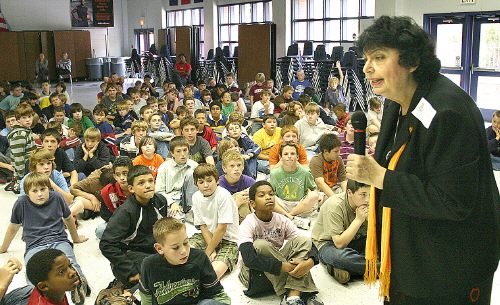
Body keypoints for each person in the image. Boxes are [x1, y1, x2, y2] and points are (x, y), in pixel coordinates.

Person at [346, 16, 499, 304]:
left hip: (449, 270)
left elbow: (453, 200)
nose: (367, 68)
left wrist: (379, 176)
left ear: (412, 61)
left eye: (379, 57)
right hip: (409, 261)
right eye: (366, 58)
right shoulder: (396, 102)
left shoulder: (448, 111)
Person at [0, 173, 88, 304]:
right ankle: (38, 297)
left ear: (49, 188)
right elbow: (13, 227)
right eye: (34, 191)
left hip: (59, 239)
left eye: (43, 189)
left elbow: (68, 218)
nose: (40, 194)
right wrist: (3, 248)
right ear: (27, 193)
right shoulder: (21, 203)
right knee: (34, 271)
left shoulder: (57, 198)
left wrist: (75, 239)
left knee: (68, 262)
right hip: (35, 245)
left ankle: (79, 285)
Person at [238, 181, 323, 305]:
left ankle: (293, 296)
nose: (268, 197)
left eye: (271, 194)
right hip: (255, 274)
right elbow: (249, 259)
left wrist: (309, 262)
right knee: (260, 245)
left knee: (303, 240)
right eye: (262, 195)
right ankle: (302, 292)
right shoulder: (248, 223)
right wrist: (285, 266)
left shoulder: (282, 220)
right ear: (252, 204)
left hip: (276, 270)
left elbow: (310, 246)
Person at [99, 165, 169, 288]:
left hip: (154, 249)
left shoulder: (161, 201)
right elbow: (106, 244)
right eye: (141, 183)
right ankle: (121, 288)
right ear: (131, 188)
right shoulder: (126, 212)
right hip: (130, 254)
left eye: (150, 181)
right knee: (160, 278)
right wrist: (130, 271)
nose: (148, 185)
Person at [139, 217, 231, 305]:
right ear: (159, 248)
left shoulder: (199, 258)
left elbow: (217, 294)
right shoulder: (149, 265)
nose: (183, 251)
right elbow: (146, 297)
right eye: (175, 247)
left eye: (186, 243)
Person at [311, 180, 370, 284]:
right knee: (341, 258)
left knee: (387, 247)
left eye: (370, 194)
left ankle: (346, 269)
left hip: (357, 239)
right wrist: (358, 220)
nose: (368, 200)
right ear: (350, 193)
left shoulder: (369, 203)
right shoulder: (334, 205)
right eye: (363, 195)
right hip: (329, 244)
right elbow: (339, 243)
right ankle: (382, 268)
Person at [189, 163, 239, 279]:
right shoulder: (196, 197)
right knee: (183, 252)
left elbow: (222, 228)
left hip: (228, 240)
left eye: (209, 180)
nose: (206, 185)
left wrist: (207, 253)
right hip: (207, 236)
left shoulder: (223, 195)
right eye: (201, 182)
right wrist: (211, 249)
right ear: (196, 184)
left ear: (217, 180)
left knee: (213, 273)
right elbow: (203, 226)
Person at [270, 142, 320, 219]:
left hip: (300, 205)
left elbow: (314, 189)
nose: (289, 156)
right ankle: (291, 217)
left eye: (292, 154)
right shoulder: (274, 173)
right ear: (280, 157)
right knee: (266, 198)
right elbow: (271, 192)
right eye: (286, 154)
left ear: (297, 157)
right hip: (282, 204)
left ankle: (289, 216)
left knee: (314, 195)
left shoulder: (305, 172)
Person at [6, 104, 36, 194]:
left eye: (30, 116)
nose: (28, 120)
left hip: (30, 165)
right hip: (25, 168)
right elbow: (19, 158)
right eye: (24, 117)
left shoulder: (25, 131)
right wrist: (20, 179)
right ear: (18, 119)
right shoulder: (19, 134)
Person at [309, 134, 347, 198]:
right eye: (336, 151)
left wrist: (346, 197)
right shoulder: (316, 160)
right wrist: (334, 199)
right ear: (326, 151)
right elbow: (320, 183)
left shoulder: (338, 159)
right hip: (320, 191)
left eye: (339, 150)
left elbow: (343, 180)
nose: (339, 153)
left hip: (335, 188)